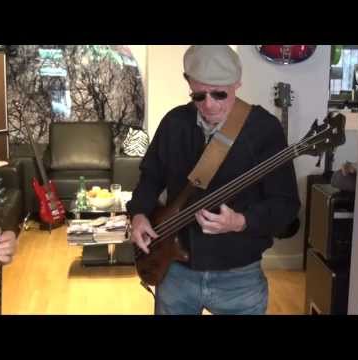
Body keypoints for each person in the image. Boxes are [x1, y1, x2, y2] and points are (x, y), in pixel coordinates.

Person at [127, 45, 300, 315]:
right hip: (175, 273)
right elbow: (150, 177)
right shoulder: (174, 123)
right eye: (199, 95)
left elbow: (286, 204)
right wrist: (138, 214)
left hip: (239, 277)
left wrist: (241, 221)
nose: (209, 104)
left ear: (237, 84)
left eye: (220, 94)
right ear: (188, 83)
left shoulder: (264, 129)